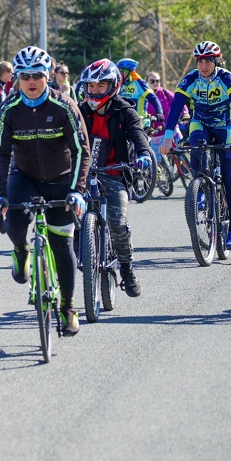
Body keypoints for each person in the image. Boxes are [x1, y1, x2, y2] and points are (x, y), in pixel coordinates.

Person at [0, 46, 90, 336]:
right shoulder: (9, 109)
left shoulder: (65, 106)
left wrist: (78, 190)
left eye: (37, 75)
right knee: (15, 223)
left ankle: (68, 307)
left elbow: (82, 150)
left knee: (62, 245)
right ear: (16, 78)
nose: (31, 81)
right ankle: (21, 251)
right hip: (25, 177)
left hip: (61, 179)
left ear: (47, 77)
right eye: (24, 76)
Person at [159, 41, 231, 250]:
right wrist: (167, 137)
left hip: (226, 125)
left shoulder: (226, 78)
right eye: (200, 61)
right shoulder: (190, 79)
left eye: (208, 61)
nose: (203, 65)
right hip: (201, 122)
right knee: (196, 146)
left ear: (215, 61)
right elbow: (175, 108)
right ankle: (200, 190)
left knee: (228, 174)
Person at [77, 59, 151, 297]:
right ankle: (83, 258)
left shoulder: (125, 110)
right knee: (68, 219)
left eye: (101, 85)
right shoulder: (79, 111)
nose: (95, 91)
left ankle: (127, 269)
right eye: (91, 86)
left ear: (114, 85)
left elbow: (138, 135)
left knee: (117, 222)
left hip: (114, 173)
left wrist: (144, 154)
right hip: (82, 174)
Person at [116, 58, 163, 124]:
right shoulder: (122, 85)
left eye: (120, 71)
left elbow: (153, 98)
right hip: (127, 123)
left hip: (141, 124)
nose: (118, 74)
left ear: (127, 71)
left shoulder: (140, 83)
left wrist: (159, 112)